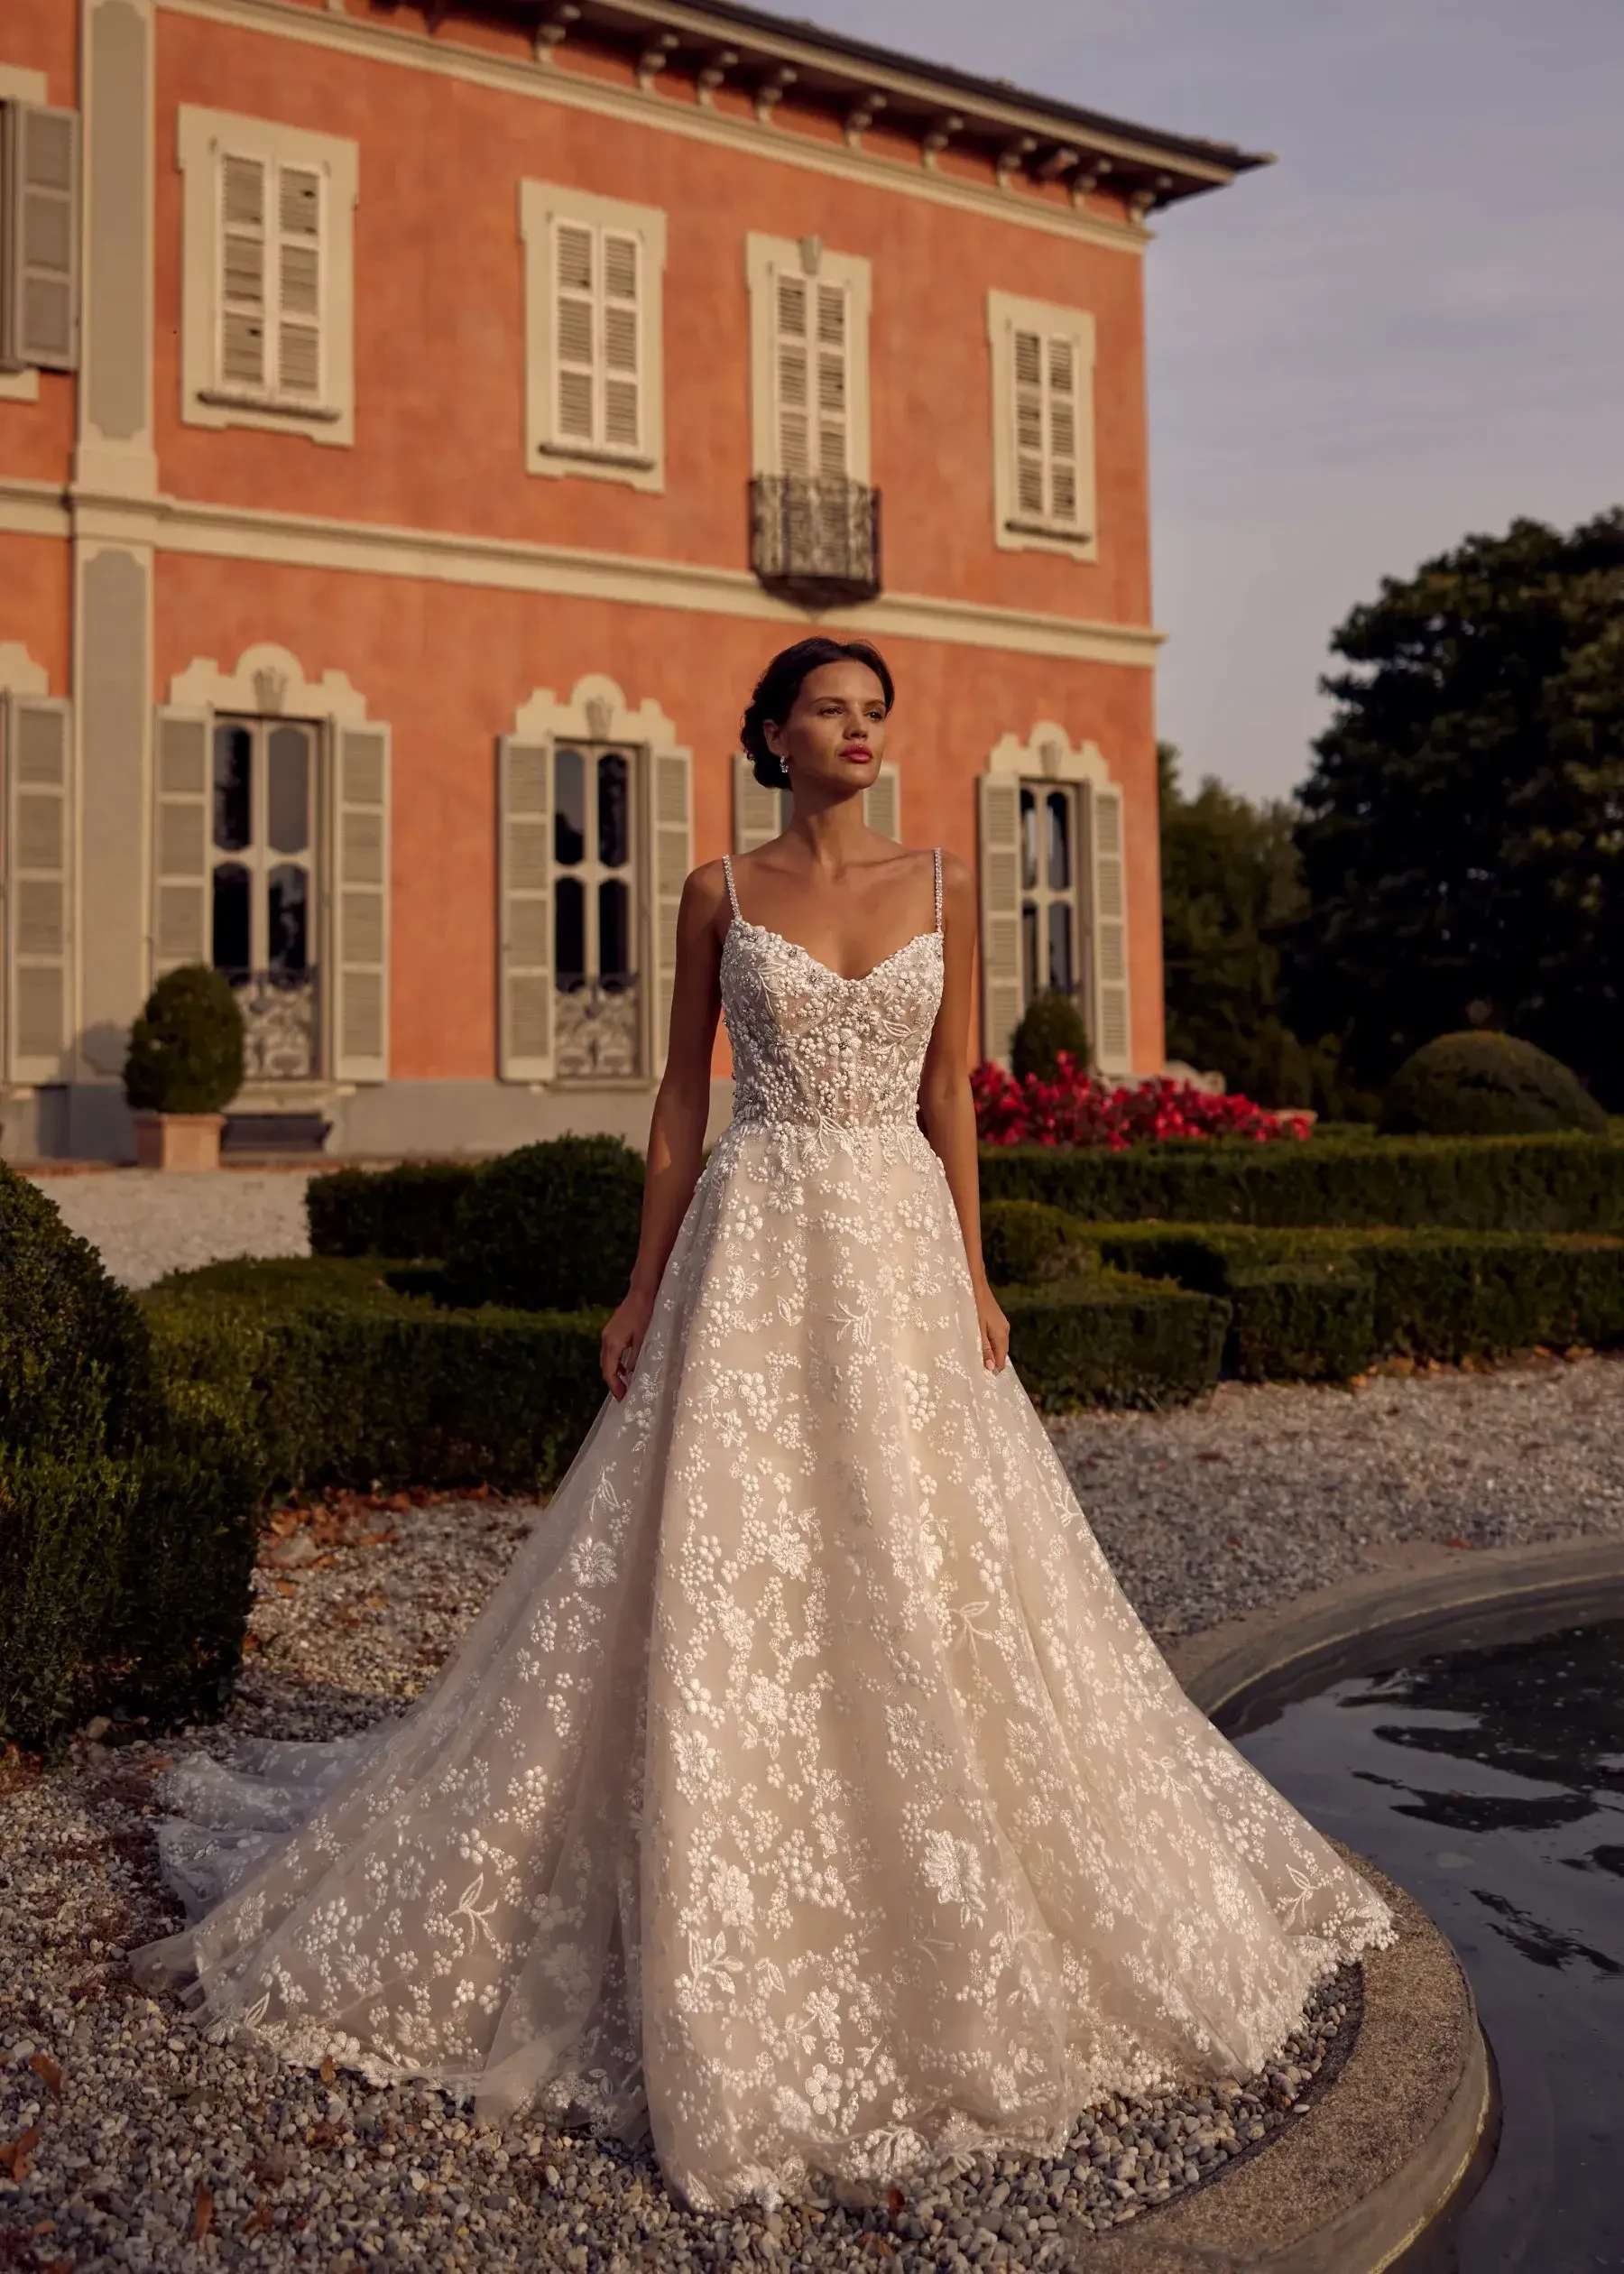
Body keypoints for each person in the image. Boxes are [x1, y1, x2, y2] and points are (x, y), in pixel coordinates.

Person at [134, 637, 1393, 2214]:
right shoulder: (719, 891)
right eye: (832, 712)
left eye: (877, 714)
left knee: (925, 1556)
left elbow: (952, 1101)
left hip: (899, 1251)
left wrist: (981, 1281)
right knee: (731, 1558)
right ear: (776, 736)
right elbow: (678, 1104)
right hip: (756, 1239)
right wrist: (638, 1290)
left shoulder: (946, 883)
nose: (861, 732)